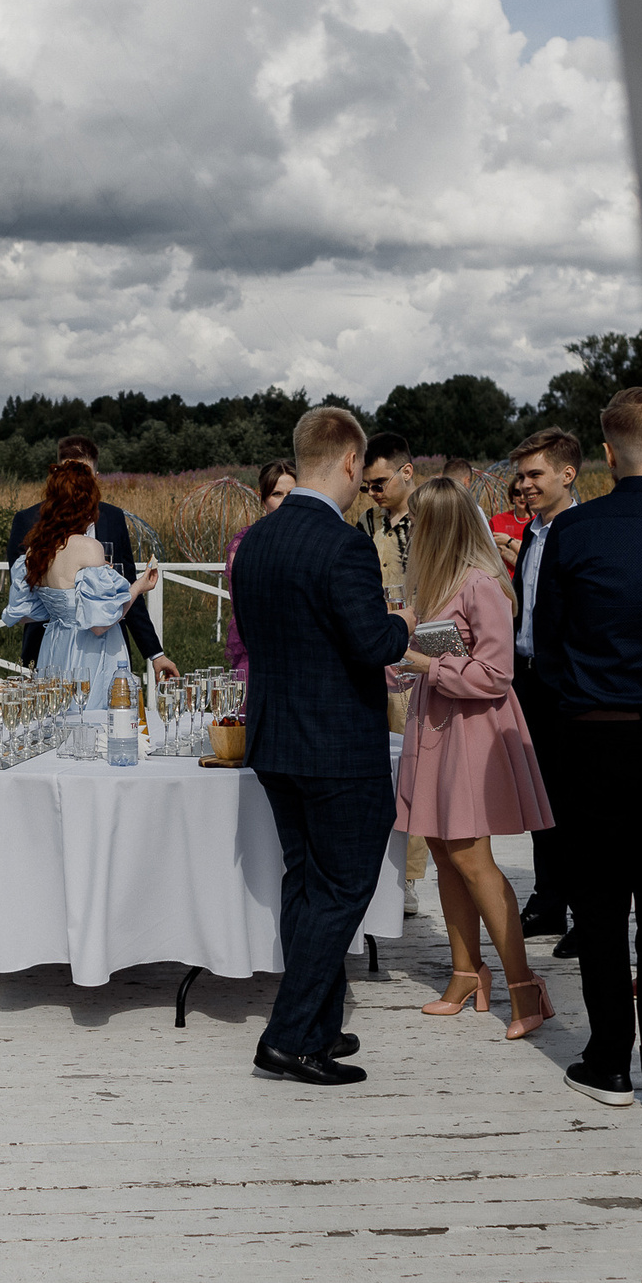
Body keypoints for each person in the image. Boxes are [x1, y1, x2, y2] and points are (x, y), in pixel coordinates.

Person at [532, 389, 642, 1112]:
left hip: (594, 737)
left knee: (600, 905)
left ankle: (608, 1057)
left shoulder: (575, 534)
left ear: (606, 455)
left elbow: (546, 651)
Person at [230, 406, 412, 1086]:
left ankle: (318, 1024)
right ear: (346, 463)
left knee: (307, 883)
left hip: (275, 735)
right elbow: (371, 644)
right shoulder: (343, 545)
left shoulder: (256, 542)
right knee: (342, 888)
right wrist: (402, 623)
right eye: (361, 469)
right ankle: (286, 1036)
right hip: (336, 743)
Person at [389, 478, 560, 1037]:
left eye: (418, 522)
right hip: (435, 726)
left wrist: (424, 664)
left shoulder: (481, 584)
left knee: (472, 858)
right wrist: (393, 659)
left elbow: (496, 674)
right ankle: (467, 973)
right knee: (442, 852)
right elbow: (410, 662)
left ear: (442, 525)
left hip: (471, 731)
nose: (410, 532)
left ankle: (523, 983)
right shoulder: (432, 587)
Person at [4, 435, 180, 681]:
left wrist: (156, 654)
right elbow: (98, 622)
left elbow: (21, 607)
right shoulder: (29, 522)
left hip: (55, 650)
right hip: (91, 655)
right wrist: (138, 586)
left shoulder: (41, 546)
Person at [505, 428, 585, 948]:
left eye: (535, 475)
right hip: (527, 678)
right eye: (523, 476)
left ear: (567, 474)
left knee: (577, 803)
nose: (525, 485)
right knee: (540, 797)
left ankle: (587, 911)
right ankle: (550, 900)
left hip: (568, 685)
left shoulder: (582, 531)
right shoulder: (532, 534)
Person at [354, 431, 429, 906]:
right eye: (367, 486)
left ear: (407, 473)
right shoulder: (364, 523)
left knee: (413, 772)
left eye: (379, 483)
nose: (374, 493)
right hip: (369, 657)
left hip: (413, 657)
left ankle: (410, 878)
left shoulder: (429, 523)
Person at [222, 457, 295, 678]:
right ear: (263, 500)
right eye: (277, 494)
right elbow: (243, 608)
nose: (285, 502)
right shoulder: (244, 545)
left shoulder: (316, 541)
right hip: (259, 653)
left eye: (292, 495)